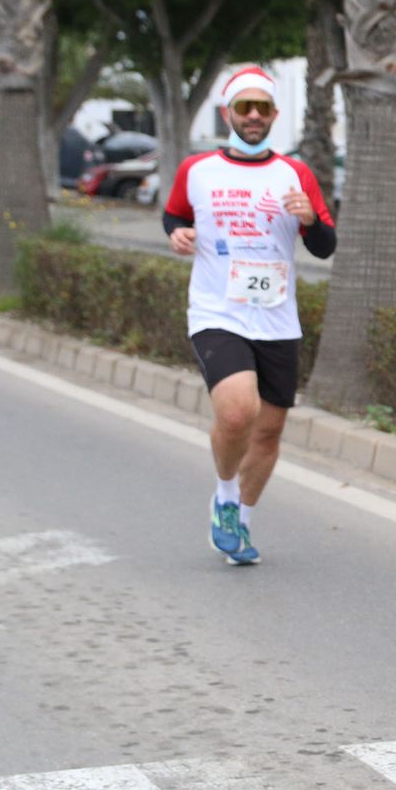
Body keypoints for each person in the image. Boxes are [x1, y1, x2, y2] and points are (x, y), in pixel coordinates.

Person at [163, 66, 336, 565]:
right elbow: (175, 213)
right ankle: (223, 495)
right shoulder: (196, 170)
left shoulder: (295, 173)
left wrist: (309, 219)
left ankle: (241, 521)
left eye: (263, 107)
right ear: (228, 114)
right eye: (245, 107)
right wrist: (176, 234)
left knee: (269, 431)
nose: (254, 115)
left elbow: (325, 245)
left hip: (278, 319)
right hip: (218, 311)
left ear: (275, 115)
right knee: (239, 411)